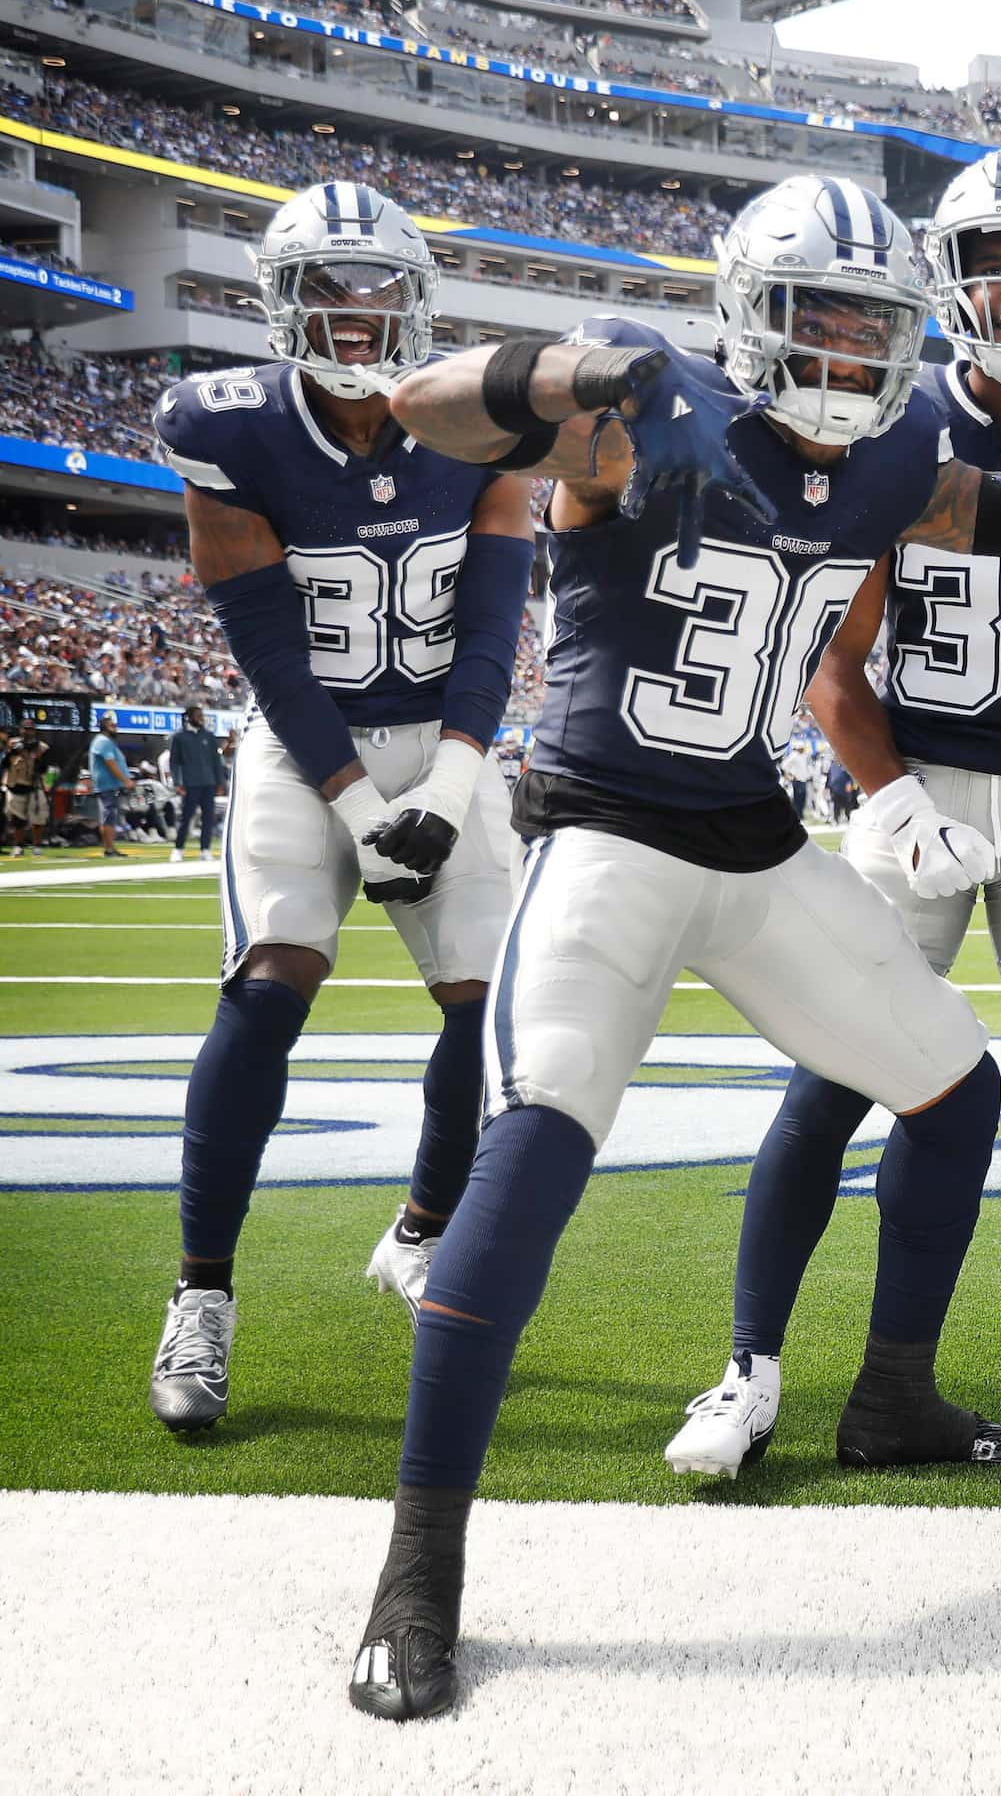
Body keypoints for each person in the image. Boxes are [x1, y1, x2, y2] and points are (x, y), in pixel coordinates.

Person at [338, 173, 1001, 1721]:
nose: (850, 360)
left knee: (954, 1085)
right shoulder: (643, 410)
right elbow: (423, 404)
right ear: (749, 317)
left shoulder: (906, 436)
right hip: (602, 840)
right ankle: (418, 1567)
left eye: (875, 332)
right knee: (533, 1156)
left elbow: (936, 501)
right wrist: (588, 375)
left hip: (755, 840)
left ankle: (893, 1394)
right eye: (822, 325)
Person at [668, 147, 1001, 1480]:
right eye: (995, 261)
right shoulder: (889, 411)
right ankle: (748, 1368)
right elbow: (830, 654)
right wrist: (891, 791)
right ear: (948, 276)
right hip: (911, 794)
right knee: (833, 1085)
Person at [144, 183, 537, 1440]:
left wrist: (455, 783)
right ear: (281, 300)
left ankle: (418, 1234)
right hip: (303, 742)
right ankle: (200, 1294)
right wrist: (361, 805)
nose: (355, 315)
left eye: (377, 289)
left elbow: (490, 628)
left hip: (446, 733)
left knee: (494, 1016)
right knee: (271, 981)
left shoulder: (477, 423)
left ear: (416, 303)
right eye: (328, 287)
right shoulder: (228, 428)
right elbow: (268, 649)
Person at [169, 705, 225, 854]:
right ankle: (178, 849)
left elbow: (216, 761)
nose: (202, 718)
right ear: (189, 717)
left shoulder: (209, 736)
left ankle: (205, 850)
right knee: (186, 817)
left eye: (202, 715)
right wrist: (177, 783)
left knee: (208, 818)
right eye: (198, 715)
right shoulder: (179, 737)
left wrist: (220, 782)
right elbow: (174, 762)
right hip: (190, 783)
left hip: (209, 783)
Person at [86, 711, 130, 858]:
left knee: (109, 816)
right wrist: (126, 781)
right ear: (105, 727)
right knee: (107, 816)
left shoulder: (106, 741)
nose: (115, 728)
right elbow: (111, 764)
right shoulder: (103, 741)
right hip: (106, 786)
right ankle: (109, 848)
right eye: (112, 726)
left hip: (109, 785)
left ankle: (110, 847)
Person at [2, 728, 43, 855]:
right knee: (17, 819)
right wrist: (14, 752)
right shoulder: (13, 744)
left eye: (31, 729)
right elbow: (4, 764)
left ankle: (37, 846)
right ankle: (19, 845)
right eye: (25, 728)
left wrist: (37, 755)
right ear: (20, 730)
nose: (28, 732)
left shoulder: (40, 746)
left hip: (33, 786)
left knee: (38, 818)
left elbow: (44, 767)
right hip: (15, 785)